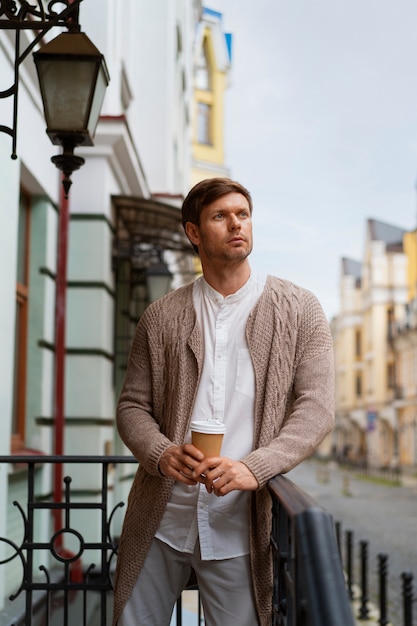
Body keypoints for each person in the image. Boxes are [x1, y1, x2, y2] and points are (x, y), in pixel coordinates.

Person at [112, 177, 335, 626]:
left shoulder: (300, 309)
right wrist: (160, 453)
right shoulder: (161, 316)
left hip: (240, 527)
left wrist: (255, 467)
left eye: (243, 214)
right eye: (220, 216)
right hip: (162, 519)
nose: (237, 224)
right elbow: (132, 406)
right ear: (194, 232)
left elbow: (316, 409)